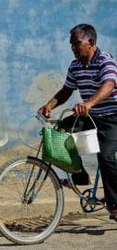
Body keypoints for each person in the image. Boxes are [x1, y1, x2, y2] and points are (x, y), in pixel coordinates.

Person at [39, 23, 117, 221]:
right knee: (62, 130)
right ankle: (80, 175)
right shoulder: (75, 66)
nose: (73, 48)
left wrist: (90, 102)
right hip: (90, 115)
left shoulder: (104, 60)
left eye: (76, 44)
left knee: (106, 157)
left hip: (112, 117)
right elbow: (66, 90)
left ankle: (115, 205)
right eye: (71, 44)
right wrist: (49, 105)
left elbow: (109, 84)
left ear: (90, 43)